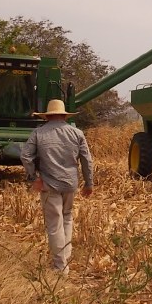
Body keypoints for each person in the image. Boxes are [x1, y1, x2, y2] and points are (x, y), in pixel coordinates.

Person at [21, 99, 94, 275]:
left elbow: (25, 156)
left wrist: (33, 178)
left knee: (54, 224)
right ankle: (64, 258)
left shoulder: (38, 133)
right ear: (64, 115)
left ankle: (60, 266)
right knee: (67, 218)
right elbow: (87, 160)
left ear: (47, 116)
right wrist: (89, 183)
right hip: (70, 184)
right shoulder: (77, 133)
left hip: (49, 184)